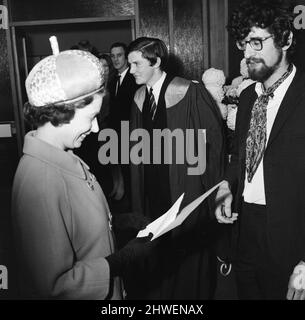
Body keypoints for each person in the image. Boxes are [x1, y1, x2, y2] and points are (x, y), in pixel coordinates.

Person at [11, 40, 154, 299]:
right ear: (62, 112)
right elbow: (55, 285)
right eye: (92, 117)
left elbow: (72, 225)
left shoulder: (64, 154)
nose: (96, 128)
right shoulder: (39, 180)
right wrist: (120, 261)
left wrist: (122, 221)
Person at [215, 0, 305, 300]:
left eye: (257, 42)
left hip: (292, 238)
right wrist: (227, 185)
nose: (247, 53)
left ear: (287, 40)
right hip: (245, 229)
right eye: (243, 44)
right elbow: (241, 157)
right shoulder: (249, 97)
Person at [127, 37, 226, 299]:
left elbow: (212, 143)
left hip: (185, 186)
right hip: (152, 190)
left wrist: (212, 193)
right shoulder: (139, 97)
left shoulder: (189, 91)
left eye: (136, 64)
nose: (132, 70)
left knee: (186, 252)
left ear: (156, 62)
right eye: (130, 64)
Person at [108, 42, 139, 206]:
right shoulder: (113, 80)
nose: (115, 59)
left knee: (131, 170)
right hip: (117, 133)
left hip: (132, 132)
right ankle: (125, 197)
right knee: (120, 166)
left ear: (126, 57)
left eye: (119, 55)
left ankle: (133, 203)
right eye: (112, 56)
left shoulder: (135, 79)